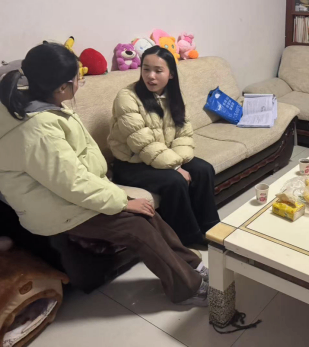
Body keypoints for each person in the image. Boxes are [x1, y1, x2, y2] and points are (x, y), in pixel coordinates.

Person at [0, 43, 209, 306]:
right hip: (54, 208)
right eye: (78, 78)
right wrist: (122, 201)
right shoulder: (36, 129)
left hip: (70, 193)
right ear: (62, 87)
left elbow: (71, 176)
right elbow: (73, 183)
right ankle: (188, 289)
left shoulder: (41, 104)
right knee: (137, 229)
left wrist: (122, 198)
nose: (81, 82)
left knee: (147, 211)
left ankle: (191, 265)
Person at [108, 46, 220, 247]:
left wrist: (179, 161)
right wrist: (175, 167)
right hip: (132, 164)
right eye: (146, 69)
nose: (150, 76)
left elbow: (184, 134)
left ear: (171, 74)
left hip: (162, 156)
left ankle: (211, 228)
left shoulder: (174, 96)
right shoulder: (127, 97)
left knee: (204, 169)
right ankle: (187, 238)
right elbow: (143, 143)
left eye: (158, 71)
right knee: (174, 181)